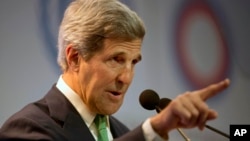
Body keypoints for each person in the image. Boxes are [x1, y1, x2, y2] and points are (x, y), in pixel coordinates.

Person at [0, 0, 230, 140]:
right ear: (75, 58)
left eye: (133, 62)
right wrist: (155, 128)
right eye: (116, 60)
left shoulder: (120, 131)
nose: (126, 78)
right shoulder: (28, 128)